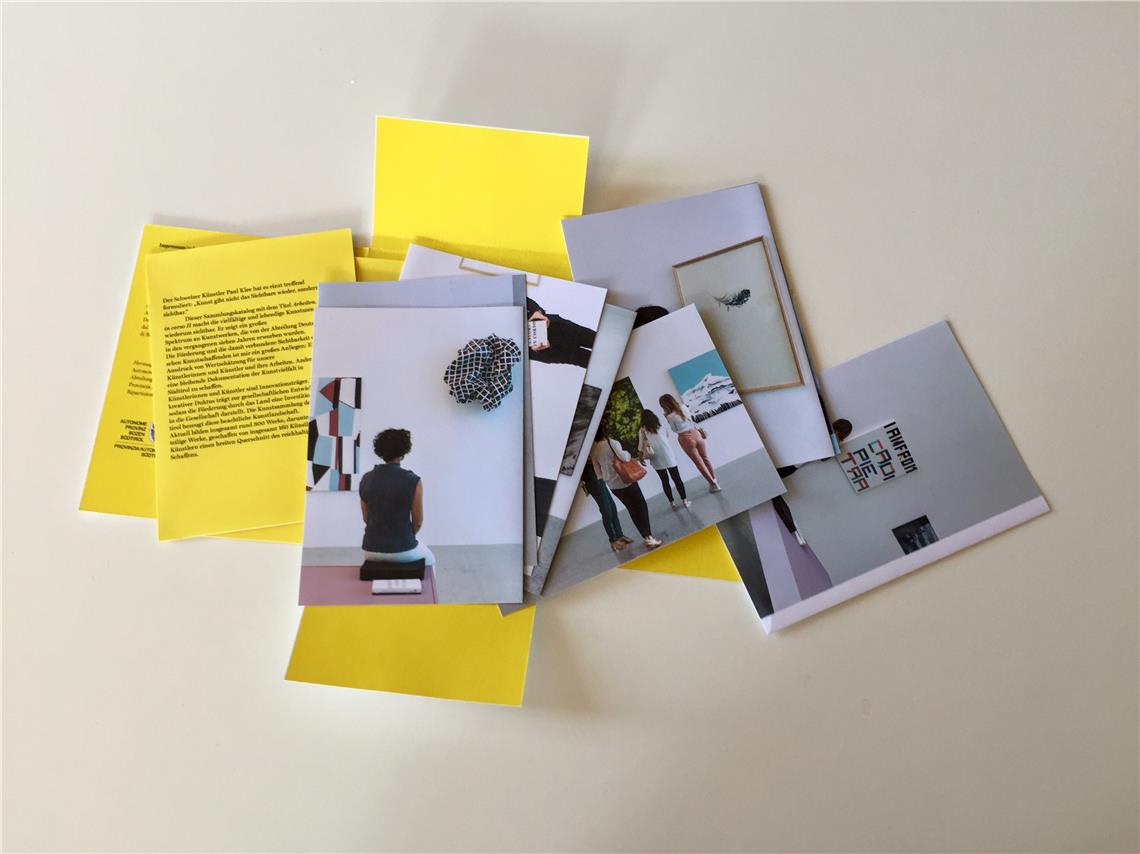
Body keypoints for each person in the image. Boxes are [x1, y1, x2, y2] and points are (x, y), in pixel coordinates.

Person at [358, 428, 436, 567]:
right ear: (403, 452)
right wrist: (402, 538)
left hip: (370, 550)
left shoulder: (366, 478)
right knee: (430, 560)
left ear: (380, 451)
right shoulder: (413, 480)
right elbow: (418, 523)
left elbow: (366, 518)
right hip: (403, 550)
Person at [589, 426, 662, 549]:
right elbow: (625, 458)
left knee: (631, 509)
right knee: (641, 506)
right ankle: (649, 537)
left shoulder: (594, 451)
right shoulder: (611, 443)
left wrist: (608, 476)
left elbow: (598, 473)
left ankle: (646, 537)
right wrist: (627, 453)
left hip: (613, 486)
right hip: (626, 480)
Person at [659, 393, 721, 492]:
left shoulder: (670, 416)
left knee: (699, 463)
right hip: (696, 433)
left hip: (685, 438)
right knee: (705, 458)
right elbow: (691, 419)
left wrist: (667, 418)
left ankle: (713, 484)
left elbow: (674, 430)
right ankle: (714, 479)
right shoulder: (684, 407)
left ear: (665, 405)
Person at [637, 409, 690, 510]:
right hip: (667, 454)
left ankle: (672, 503)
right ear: (654, 417)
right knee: (677, 478)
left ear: (643, 420)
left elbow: (640, 445)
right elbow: (666, 437)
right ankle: (685, 500)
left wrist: (641, 457)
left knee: (664, 481)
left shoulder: (642, 430)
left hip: (656, 458)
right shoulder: (661, 426)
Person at [526, 297, 595, 369]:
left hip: (553, 325)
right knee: (589, 361)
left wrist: (537, 311)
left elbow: (521, 298)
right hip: (545, 350)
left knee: (594, 339)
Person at [580, 458, 632, 552]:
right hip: (591, 480)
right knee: (606, 510)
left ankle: (619, 535)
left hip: (598, 478)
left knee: (612, 507)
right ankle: (613, 540)